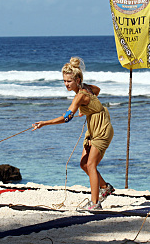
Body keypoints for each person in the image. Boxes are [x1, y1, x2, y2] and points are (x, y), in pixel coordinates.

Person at [32, 57, 115, 210]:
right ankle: (105, 188)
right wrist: (88, 109)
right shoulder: (86, 88)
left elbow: (66, 118)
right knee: (84, 164)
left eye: (69, 81)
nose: (66, 84)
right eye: (64, 81)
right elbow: (97, 91)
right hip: (92, 128)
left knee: (91, 164)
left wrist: (44, 123)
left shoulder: (80, 95)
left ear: (77, 80)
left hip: (102, 129)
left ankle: (95, 203)